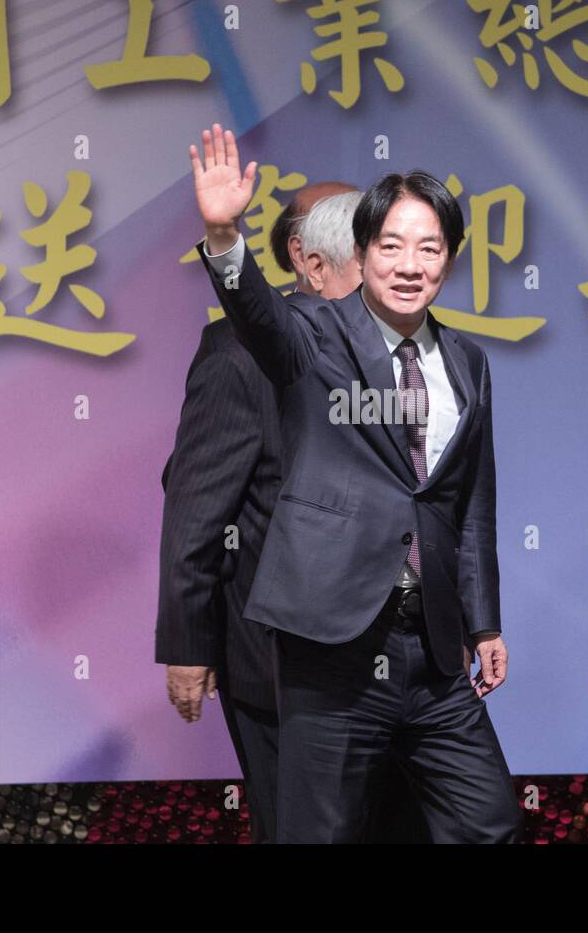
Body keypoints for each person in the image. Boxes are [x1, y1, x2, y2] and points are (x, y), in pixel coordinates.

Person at [188, 123, 521, 843]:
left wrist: (484, 620)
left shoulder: (465, 362)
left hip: (431, 650)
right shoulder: (316, 333)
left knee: (489, 823)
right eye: (392, 246)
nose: (409, 265)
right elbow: (258, 316)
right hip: (332, 643)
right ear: (363, 253)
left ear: (450, 259)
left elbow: (472, 503)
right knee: (320, 833)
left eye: (428, 248)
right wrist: (223, 236)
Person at [157, 186, 362, 843]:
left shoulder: (396, 355)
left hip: (383, 661)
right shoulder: (238, 352)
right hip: (275, 658)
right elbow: (195, 504)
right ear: (308, 259)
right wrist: (190, 644)